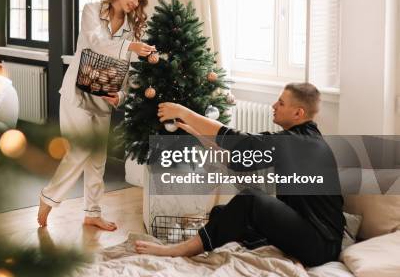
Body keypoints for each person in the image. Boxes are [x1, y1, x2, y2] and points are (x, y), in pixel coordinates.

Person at [135, 82, 345, 267]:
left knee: (251, 199)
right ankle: (210, 242)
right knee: (221, 213)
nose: (273, 106)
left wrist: (185, 112)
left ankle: (179, 250)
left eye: (281, 103)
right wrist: (196, 133)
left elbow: (241, 142)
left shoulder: (298, 142)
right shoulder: (299, 139)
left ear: (298, 113)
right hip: (308, 233)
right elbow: (236, 161)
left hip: (321, 246)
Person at [38, 0, 156, 231]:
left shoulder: (131, 28)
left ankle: (92, 213)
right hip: (77, 93)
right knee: (79, 150)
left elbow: (127, 71)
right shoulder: (91, 10)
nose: (136, 3)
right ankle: (48, 198)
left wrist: (121, 96)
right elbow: (96, 43)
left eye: (140, 0)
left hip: (104, 97)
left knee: (97, 159)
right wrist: (131, 47)